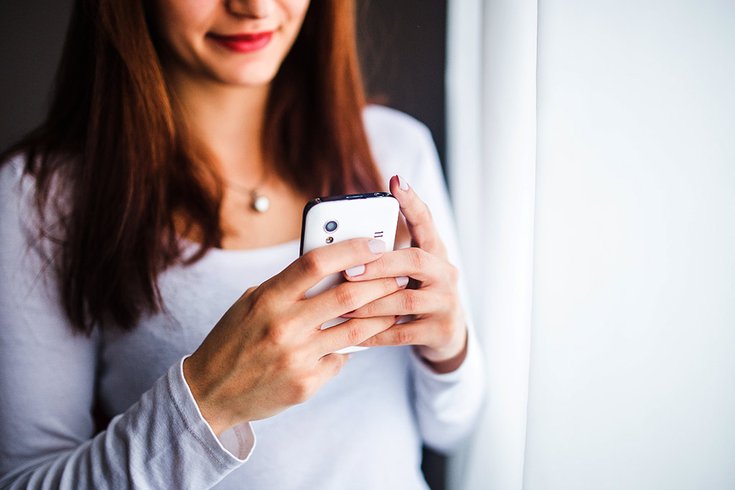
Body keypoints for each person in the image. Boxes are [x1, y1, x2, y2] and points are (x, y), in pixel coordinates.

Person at [0, 0, 484, 488]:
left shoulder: (395, 150)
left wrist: (449, 347)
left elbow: (452, 427)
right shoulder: (41, 197)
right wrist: (209, 400)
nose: (253, 8)